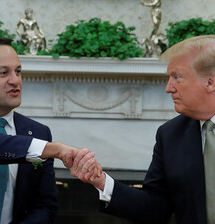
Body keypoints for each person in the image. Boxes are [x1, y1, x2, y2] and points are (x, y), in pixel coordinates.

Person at [69, 35, 215, 224]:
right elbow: (155, 208)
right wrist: (102, 181)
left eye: (177, 77)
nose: (168, 88)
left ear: (210, 83)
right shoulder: (171, 134)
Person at [0, 37, 101, 224]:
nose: (15, 80)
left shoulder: (39, 133)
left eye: (18, 72)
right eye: (4, 73)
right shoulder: (44, 145)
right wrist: (57, 150)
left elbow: (44, 205)